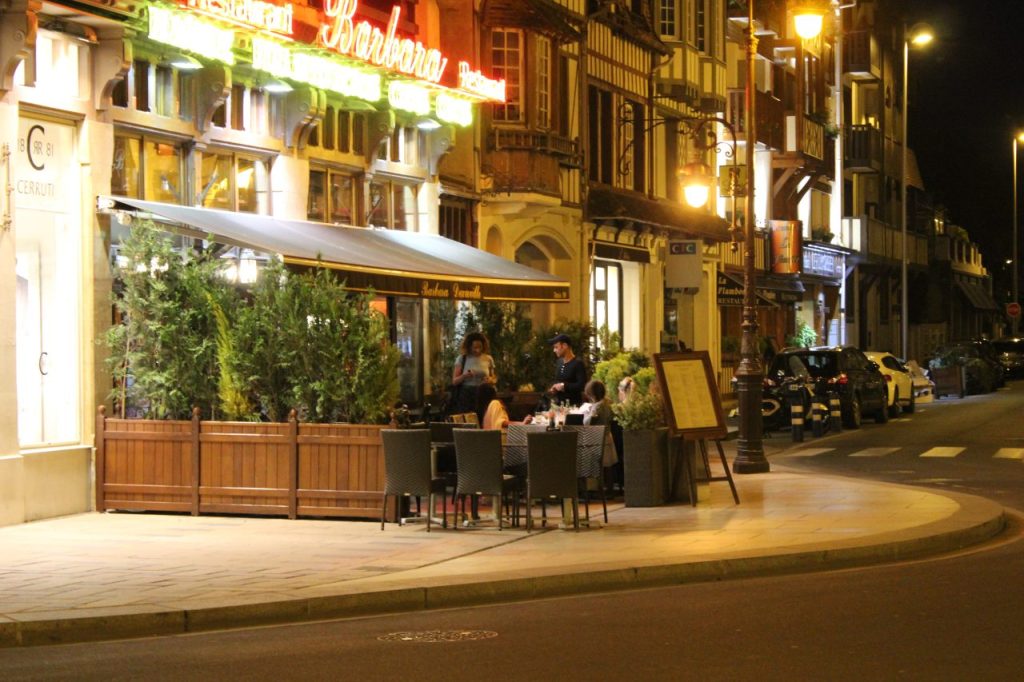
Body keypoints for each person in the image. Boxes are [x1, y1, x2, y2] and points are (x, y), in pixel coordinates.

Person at [450, 332, 496, 415]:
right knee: (467, 417)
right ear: (469, 347)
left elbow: (493, 378)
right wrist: (464, 376)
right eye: (474, 347)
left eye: (480, 347)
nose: (477, 350)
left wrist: (490, 380)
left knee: (483, 416)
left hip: (483, 393)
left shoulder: (488, 359)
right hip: (467, 393)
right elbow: (454, 381)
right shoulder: (462, 359)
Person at [546, 333, 588, 406]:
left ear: (565, 346)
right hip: (559, 407)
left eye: (556, 347)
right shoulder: (559, 362)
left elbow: (582, 386)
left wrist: (564, 386)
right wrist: (554, 389)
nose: (554, 350)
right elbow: (558, 381)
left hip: (574, 407)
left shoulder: (578, 363)